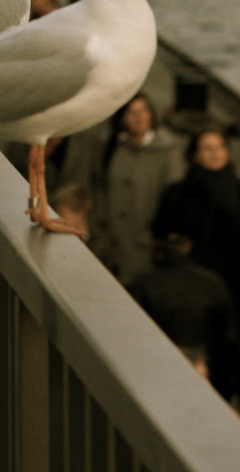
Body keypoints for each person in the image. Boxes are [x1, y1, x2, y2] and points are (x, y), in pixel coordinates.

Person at [128, 235, 237, 399]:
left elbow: (131, 342)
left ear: (155, 251)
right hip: (209, 381)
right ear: (187, 248)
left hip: (157, 381)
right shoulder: (214, 284)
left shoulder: (141, 285)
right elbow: (230, 342)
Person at [97, 92, 184, 285]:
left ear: (151, 114)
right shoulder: (113, 145)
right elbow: (101, 185)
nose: (139, 117)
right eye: (132, 112)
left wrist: (157, 238)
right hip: (112, 241)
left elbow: (174, 199)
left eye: (143, 110)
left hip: (147, 244)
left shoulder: (169, 151)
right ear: (122, 118)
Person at [153, 124, 240, 308]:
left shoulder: (236, 188)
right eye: (208, 148)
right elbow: (163, 232)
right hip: (193, 280)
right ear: (194, 154)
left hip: (233, 277)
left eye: (220, 147)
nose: (215, 153)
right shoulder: (178, 192)